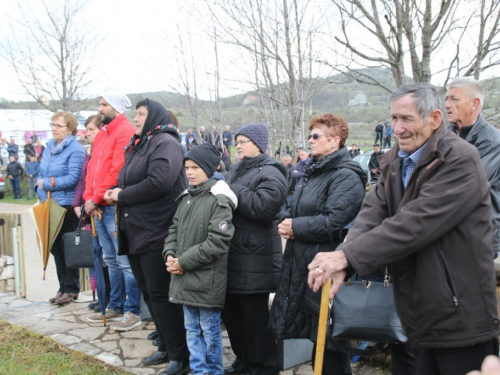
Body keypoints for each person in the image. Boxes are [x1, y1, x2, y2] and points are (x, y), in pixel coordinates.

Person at [308, 83, 499, 375]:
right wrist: (343, 255)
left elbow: (414, 223)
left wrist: (348, 258)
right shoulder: (398, 158)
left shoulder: (460, 159)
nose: (397, 128)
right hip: (418, 311)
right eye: (394, 118)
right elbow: (374, 212)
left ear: (435, 119)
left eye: (406, 119)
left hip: (459, 313)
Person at [271, 114, 366, 375]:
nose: (310, 140)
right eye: (310, 135)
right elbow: (294, 207)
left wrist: (296, 227)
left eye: (316, 136)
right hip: (305, 262)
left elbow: (336, 221)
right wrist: (286, 222)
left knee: (331, 340)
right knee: (318, 337)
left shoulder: (345, 176)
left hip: (328, 267)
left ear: (335, 141)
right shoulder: (313, 171)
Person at [104, 99, 190, 374]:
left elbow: (160, 181)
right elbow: (130, 177)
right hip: (137, 229)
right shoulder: (141, 144)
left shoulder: (165, 142)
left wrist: (123, 195)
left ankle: (181, 357)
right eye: (136, 113)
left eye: (141, 114)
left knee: (162, 294)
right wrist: (115, 190)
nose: (136, 118)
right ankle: (166, 346)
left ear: (153, 116)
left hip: (159, 230)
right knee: (149, 294)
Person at [164, 142, 238, 375]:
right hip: (183, 276)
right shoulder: (187, 197)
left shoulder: (219, 199)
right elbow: (174, 230)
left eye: (195, 167)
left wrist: (183, 262)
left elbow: (218, 242)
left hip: (206, 280)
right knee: (191, 329)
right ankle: (198, 371)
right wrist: (170, 255)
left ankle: (213, 371)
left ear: (208, 168)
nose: (190, 172)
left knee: (208, 329)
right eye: (187, 167)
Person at [222, 123, 287, 375]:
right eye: (236, 141)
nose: (237, 145)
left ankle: (264, 368)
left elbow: (264, 208)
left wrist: (232, 189)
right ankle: (244, 362)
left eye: (243, 141)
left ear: (258, 144)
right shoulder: (236, 169)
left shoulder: (272, 171)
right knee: (234, 318)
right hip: (232, 254)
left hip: (255, 258)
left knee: (255, 321)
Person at [85, 93, 142, 332]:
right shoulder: (105, 133)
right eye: (100, 104)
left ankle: (133, 310)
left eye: (104, 105)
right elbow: (92, 169)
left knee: (124, 261)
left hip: (113, 206)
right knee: (110, 260)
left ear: (116, 108)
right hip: (98, 206)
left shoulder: (125, 131)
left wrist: (97, 197)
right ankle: (116, 304)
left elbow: (117, 171)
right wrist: (89, 197)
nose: (100, 109)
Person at [446, 77, 500, 257]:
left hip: (479, 234)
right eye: (446, 99)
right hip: (448, 230)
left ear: (474, 103)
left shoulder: (492, 141)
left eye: (454, 99)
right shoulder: (446, 135)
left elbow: (471, 184)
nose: (447, 104)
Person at [38, 111, 85, 304]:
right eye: (52, 125)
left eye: (59, 126)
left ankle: (72, 289)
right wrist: (41, 192)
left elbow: (73, 178)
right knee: (55, 248)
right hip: (49, 205)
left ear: (70, 129)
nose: (54, 129)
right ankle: (62, 286)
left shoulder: (76, 150)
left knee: (68, 248)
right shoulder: (48, 147)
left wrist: (47, 184)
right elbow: (40, 176)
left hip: (66, 205)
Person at [71, 115, 111, 313]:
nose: (88, 134)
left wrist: (94, 200)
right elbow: (83, 180)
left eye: (92, 130)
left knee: (107, 257)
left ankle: (109, 296)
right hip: (87, 207)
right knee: (94, 257)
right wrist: (77, 203)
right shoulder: (89, 152)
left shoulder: (105, 151)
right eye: (86, 130)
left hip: (100, 205)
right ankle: (99, 294)